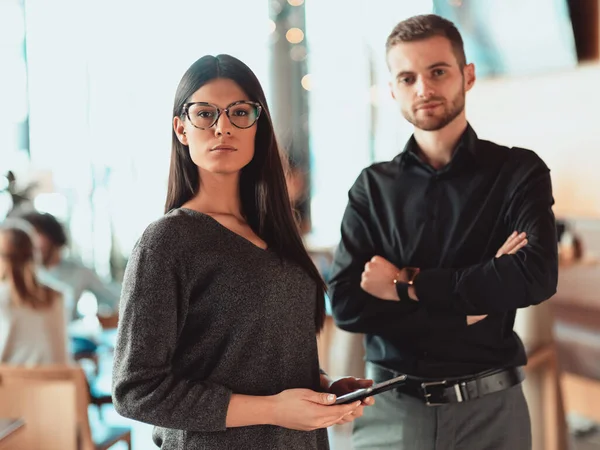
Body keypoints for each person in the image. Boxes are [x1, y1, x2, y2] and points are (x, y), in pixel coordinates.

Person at [112, 54, 373, 450]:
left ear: (258, 125)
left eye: (239, 112)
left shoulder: (276, 235)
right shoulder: (167, 241)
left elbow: (255, 356)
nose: (223, 127)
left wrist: (323, 389)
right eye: (205, 114)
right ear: (181, 129)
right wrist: (273, 409)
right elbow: (136, 389)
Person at [328, 14, 558, 450]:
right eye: (407, 77)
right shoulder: (371, 188)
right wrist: (475, 297)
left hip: (492, 412)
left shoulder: (518, 172)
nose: (423, 89)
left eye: (437, 72)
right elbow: (346, 305)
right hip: (390, 413)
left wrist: (404, 283)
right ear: (393, 89)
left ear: (466, 76)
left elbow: (535, 275)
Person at [18, 211, 120, 321]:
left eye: (36, 234)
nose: (32, 244)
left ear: (52, 237)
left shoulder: (78, 271)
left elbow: (114, 298)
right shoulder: (23, 273)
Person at [0, 218, 69, 365]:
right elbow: (62, 357)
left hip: (10, 385)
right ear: (34, 255)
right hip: (56, 385)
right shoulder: (57, 296)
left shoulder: (3, 297)